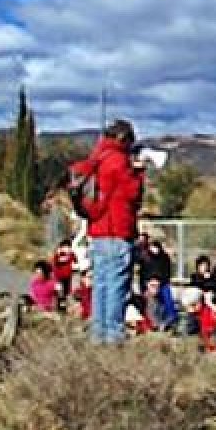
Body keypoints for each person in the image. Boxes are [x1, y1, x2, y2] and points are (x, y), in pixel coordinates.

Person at [69, 119, 145, 344]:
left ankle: (98, 333)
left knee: (101, 284)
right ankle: (113, 336)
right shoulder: (119, 162)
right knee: (116, 285)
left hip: (98, 231)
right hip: (117, 230)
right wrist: (139, 172)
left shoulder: (98, 157)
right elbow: (132, 194)